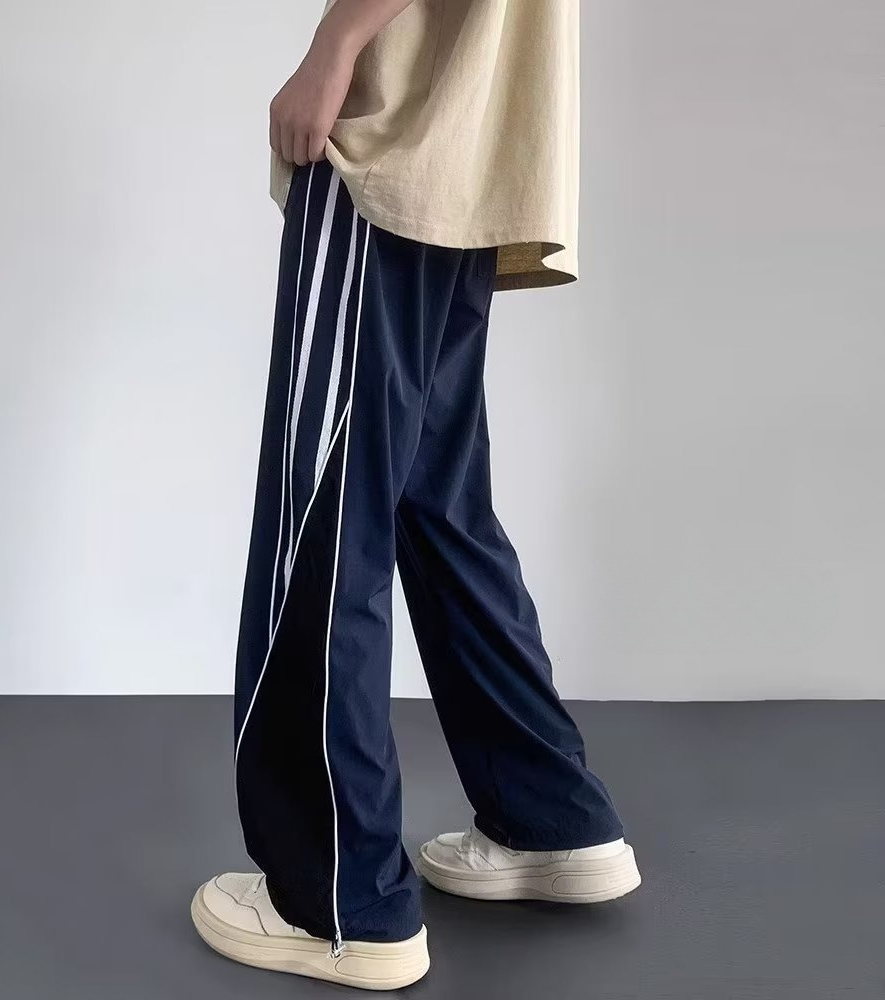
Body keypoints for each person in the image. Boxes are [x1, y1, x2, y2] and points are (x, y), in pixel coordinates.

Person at [191, 0, 640, 989]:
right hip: (473, 146)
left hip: (395, 148)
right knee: (438, 507)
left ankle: (335, 899)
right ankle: (549, 816)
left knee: (326, 514)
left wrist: (334, 45)